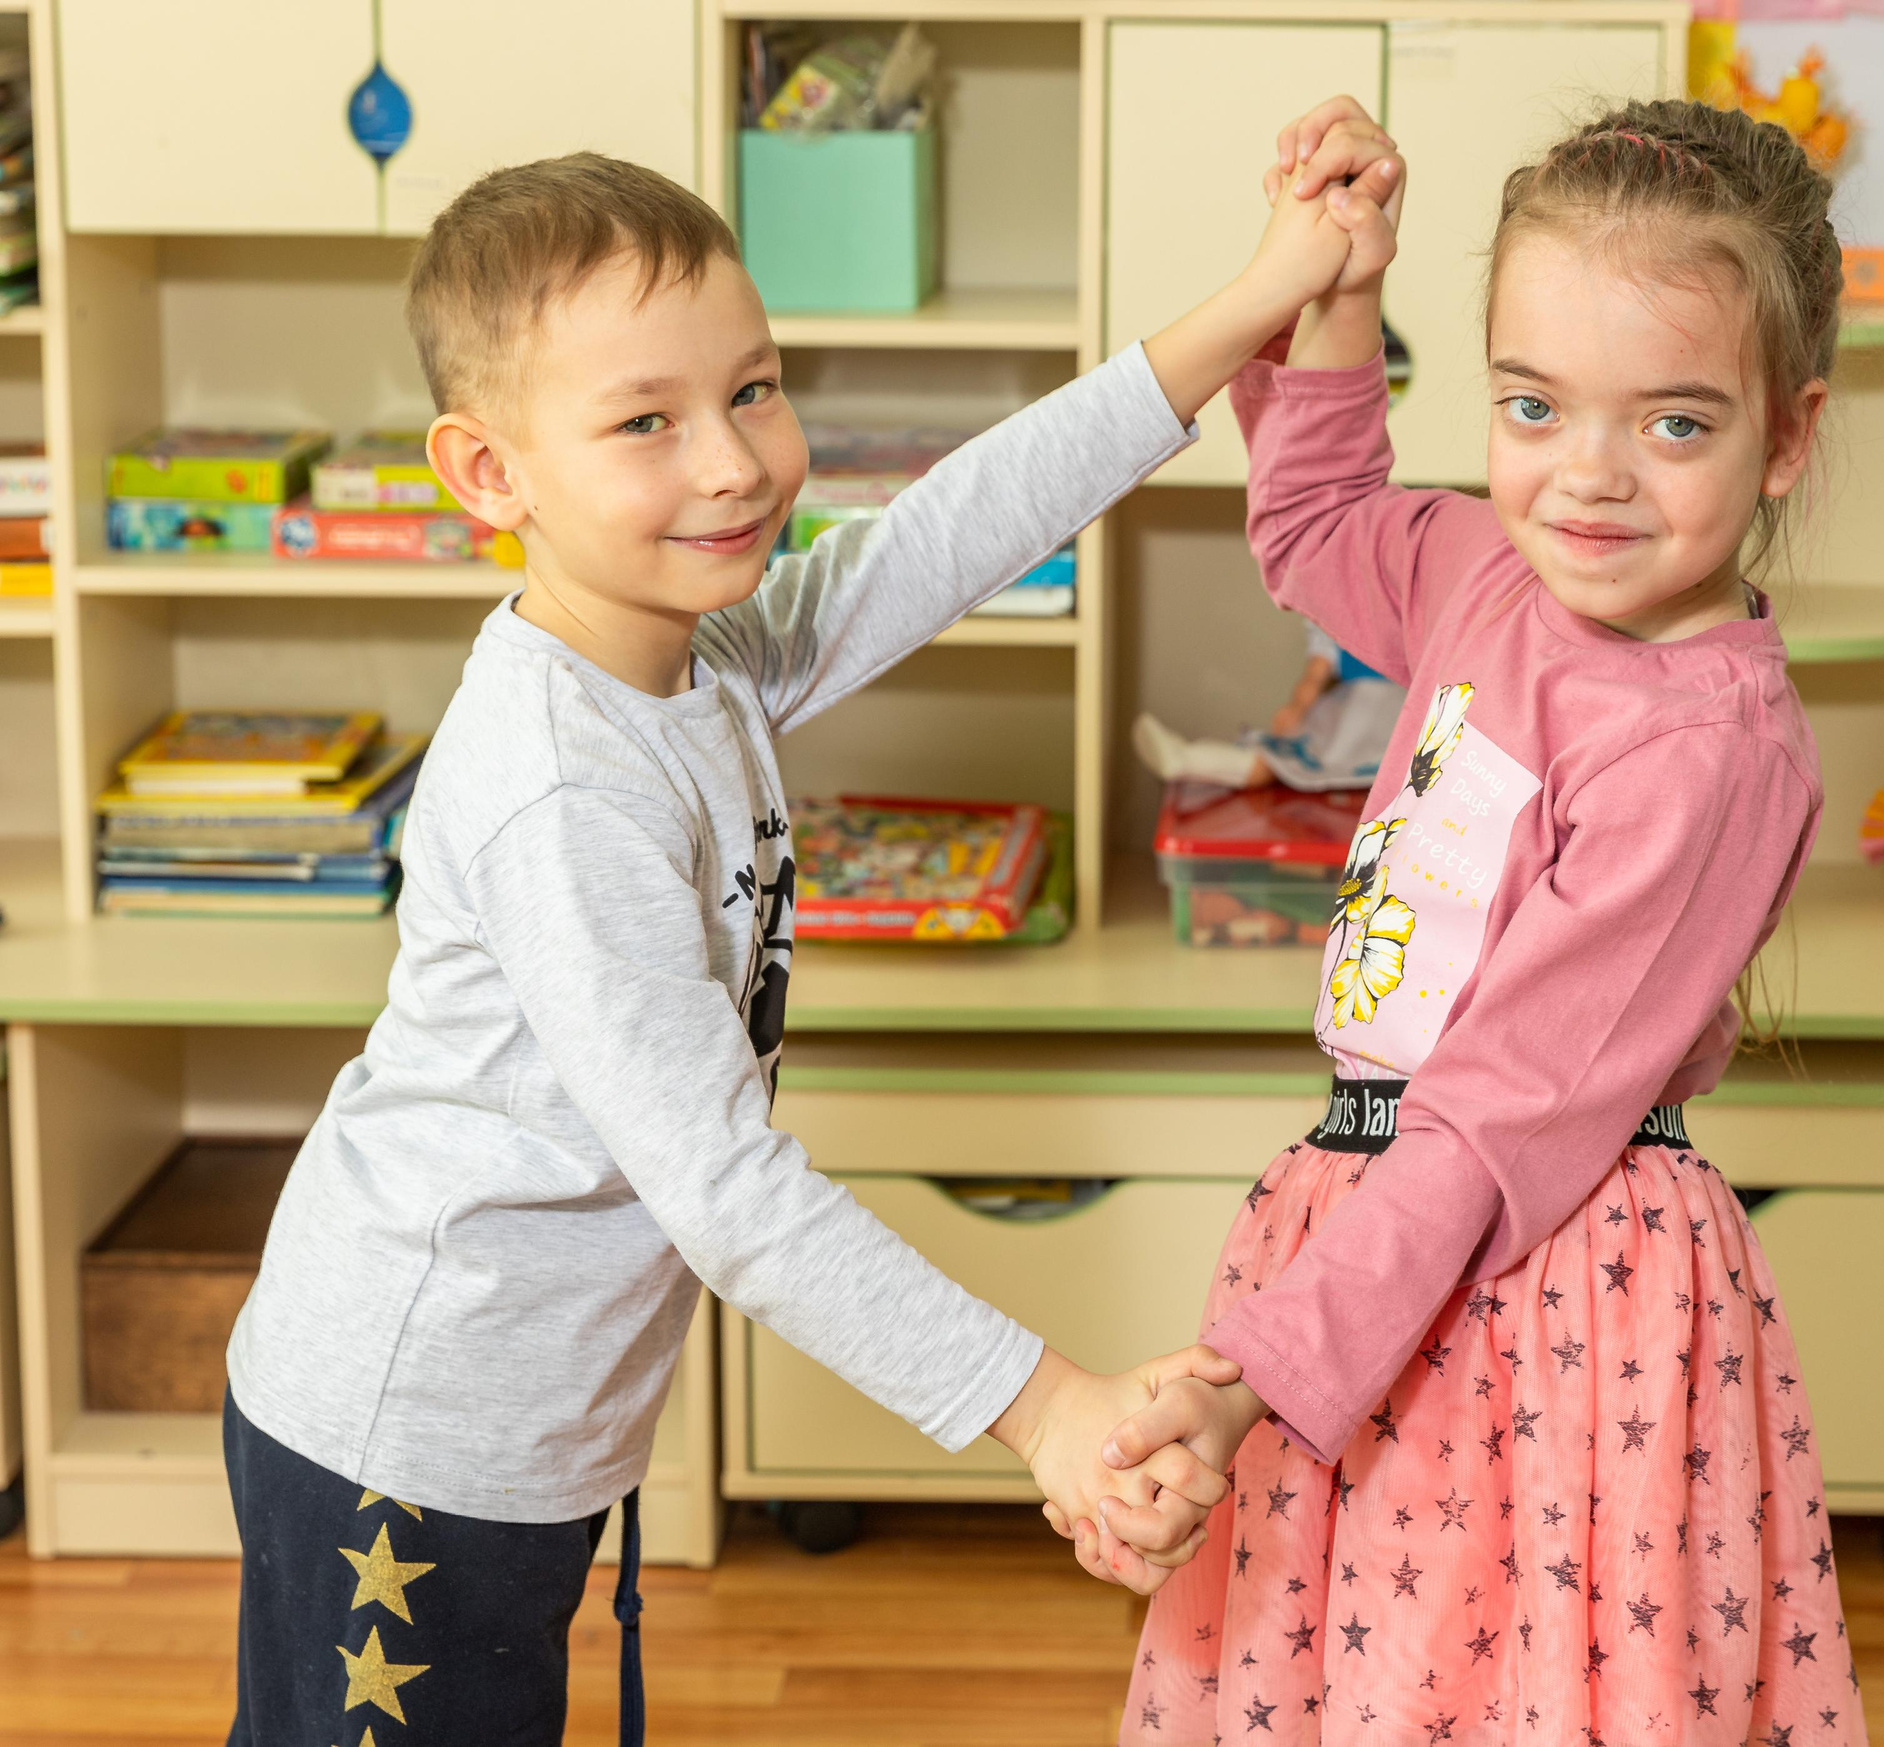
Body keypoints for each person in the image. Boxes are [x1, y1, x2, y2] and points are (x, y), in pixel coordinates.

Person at [217, 150, 1369, 1746]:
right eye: (646, 421)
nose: (732, 463)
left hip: (510, 1415)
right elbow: (728, 1189)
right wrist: (1047, 1409)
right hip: (411, 1431)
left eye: (752, 390)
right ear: (490, 473)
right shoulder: (566, 783)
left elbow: (955, 526)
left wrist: (1251, 305)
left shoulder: (703, 658)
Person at [1082, 95, 1869, 1744]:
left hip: (1546, 1273)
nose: (1585, 476)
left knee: (1515, 1682)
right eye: (1532, 405)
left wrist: (1247, 1378)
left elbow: (1500, 1114)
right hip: (1381, 1222)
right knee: (1369, 1669)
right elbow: (1311, 523)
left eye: (1673, 425)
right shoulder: (1489, 573)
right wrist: (1345, 289)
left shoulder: (1705, 750)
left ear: (1785, 437)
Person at [1132, 619, 1406, 792]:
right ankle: (1185, 759)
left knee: (1285, 762)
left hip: (1395, 718)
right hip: (1353, 715)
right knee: (1280, 761)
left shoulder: (1419, 619)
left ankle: (1187, 759)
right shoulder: (1339, 622)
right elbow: (1313, 678)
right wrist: (1296, 709)